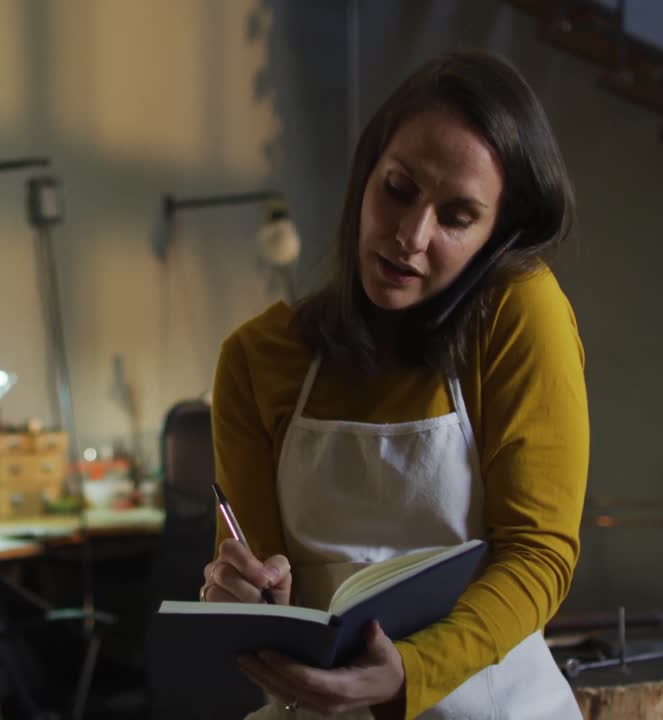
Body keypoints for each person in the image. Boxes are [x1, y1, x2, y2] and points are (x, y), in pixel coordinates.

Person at [199, 49, 589, 719]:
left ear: (498, 234)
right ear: (366, 174)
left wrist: (410, 671)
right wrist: (243, 595)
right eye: (399, 190)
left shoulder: (519, 313)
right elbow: (261, 582)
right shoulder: (256, 360)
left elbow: (539, 553)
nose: (411, 235)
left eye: (456, 217)